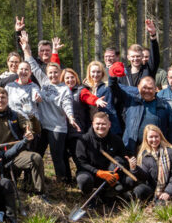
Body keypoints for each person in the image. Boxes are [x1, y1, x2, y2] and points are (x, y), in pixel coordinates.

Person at [20, 32, 79, 184]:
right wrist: (26, 48)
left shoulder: (64, 89)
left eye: (55, 73)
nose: (53, 75)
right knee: (37, 153)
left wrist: (71, 118)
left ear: (60, 74)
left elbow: (67, 104)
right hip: (42, 126)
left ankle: (63, 182)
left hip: (57, 127)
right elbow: (32, 64)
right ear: (47, 74)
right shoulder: (44, 82)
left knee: (57, 156)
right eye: (50, 73)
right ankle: (33, 179)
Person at [0, 89, 46, 198]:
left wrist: (29, 126)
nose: (0, 100)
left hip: (15, 154)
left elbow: (33, 128)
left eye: (3, 97)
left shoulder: (15, 115)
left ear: (7, 100)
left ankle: (39, 194)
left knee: (36, 158)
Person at [74, 113, 137, 208]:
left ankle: (108, 195)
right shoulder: (83, 139)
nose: (100, 126)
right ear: (93, 124)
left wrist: (117, 171)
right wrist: (98, 172)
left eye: (103, 124)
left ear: (109, 125)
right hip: (91, 173)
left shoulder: (116, 140)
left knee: (128, 179)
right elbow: (81, 163)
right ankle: (89, 197)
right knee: (83, 180)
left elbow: (123, 158)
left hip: (110, 176)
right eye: (98, 124)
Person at [63, 68, 108, 184]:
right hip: (62, 130)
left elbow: (87, 97)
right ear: (62, 79)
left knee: (78, 157)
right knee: (62, 156)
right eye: (67, 77)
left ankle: (86, 180)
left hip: (76, 131)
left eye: (72, 77)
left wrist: (96, 101)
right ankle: (67, 180)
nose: (70, 80)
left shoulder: (80, 90)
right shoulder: (60, 90)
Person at [108, 74, 172, 152]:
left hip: (157, 149)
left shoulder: (164, 105)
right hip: (132, 149)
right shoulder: (131, 99)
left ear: (156, 89)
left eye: (150, 88)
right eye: (144, 88)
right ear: (138, 87)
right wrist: (112, 75)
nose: (146, 91)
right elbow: (113, 87)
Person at [127, 124, 172, 205]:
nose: (154, 139)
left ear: (160, 137)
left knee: (161, 206)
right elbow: (144, 176)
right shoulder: (144, 154)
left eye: (156, 136)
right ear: (146, 138)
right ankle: (144, 206)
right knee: (138, 191)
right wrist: (134, 168)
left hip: (170, 189)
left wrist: (168, 192)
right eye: (151, 137)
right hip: (153, 189)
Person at [109, 19, 158, 88]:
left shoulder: (148, 69)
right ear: (128, 57)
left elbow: (155, 56)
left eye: (138, 56)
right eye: (133, 56)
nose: (135, 59)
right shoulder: (123, 73)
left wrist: (153, 35)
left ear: (142, 56)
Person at [82, 61, 122, 135]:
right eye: (93, 72)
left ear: (102, 73)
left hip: (108, 125)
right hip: (89, 126)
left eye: (98, 72)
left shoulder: (107, 87)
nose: (95, 74)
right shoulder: (85, 88)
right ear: (89, 73)